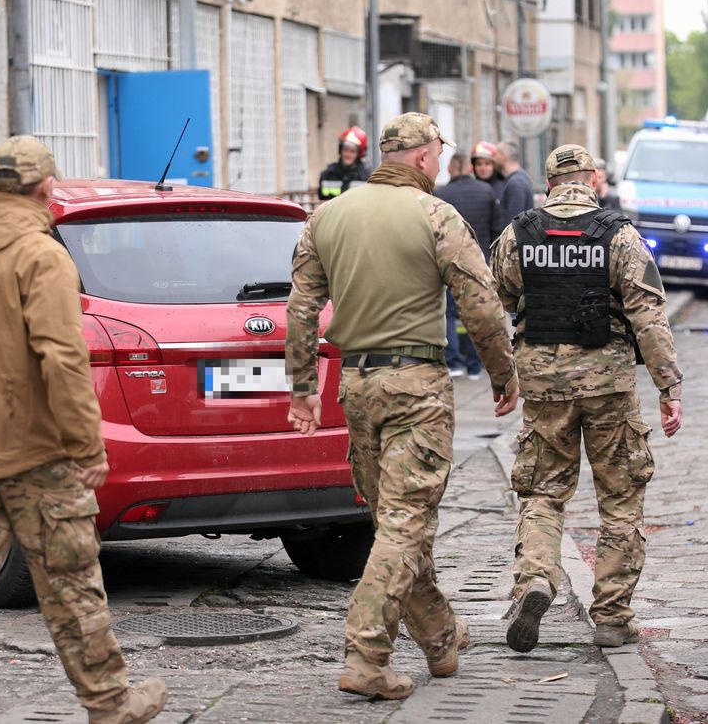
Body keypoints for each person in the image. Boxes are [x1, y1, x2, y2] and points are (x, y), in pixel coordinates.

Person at [0, 136, 166, 724]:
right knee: (71, 583)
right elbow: (63, 357)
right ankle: (109, 704)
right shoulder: (42, 256)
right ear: (47, 188)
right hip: (38, 456)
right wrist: (85, 444)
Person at [286, 112, 519, 700]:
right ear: (420, 156)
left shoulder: (326, 216)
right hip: (417, 388)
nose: (441, 164)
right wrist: (502, 375)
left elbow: (300, 307)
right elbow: (482, 306)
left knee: (395, 522)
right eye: (439, 154)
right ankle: (366, 657)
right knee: (404, 525)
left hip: (356, 388)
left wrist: (302, 388)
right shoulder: (435, 216)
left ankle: (441, 637)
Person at [489, 144, 683, 654]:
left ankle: (535, 580)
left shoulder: (519, 233)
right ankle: (612, 617)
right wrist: (668, 386)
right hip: (609, 385)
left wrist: (500, 375)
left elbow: (494, 303)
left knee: (543, 492)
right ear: (593, 180)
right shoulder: (619, 235)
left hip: (543, 385)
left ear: (549, 183)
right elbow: (648, 315)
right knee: (620, 499)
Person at [435, 151, 503, 380]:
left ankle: (454, 362)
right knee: (475, 312)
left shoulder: (441, 194)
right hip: (478, 258)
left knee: (449, 314)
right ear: (470, 169)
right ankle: (475, 365)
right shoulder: (486, 192)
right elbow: (497, 227)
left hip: (448, 260)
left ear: (451, 169)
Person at [318, 126, 371, 200]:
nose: (348, 154)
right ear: (340, 150)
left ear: (359, 154)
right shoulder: (328, 174)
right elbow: (322, 200)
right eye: (345, 150)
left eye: (352, 151)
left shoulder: (366, 177)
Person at [496, 140, 536, 226]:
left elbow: (514, 223)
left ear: (503, 156)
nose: (494, 159)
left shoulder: (516, 183)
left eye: (496, 155)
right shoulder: (520, 178)